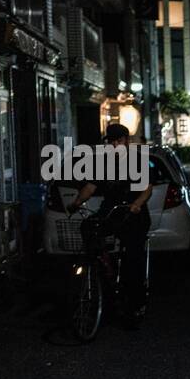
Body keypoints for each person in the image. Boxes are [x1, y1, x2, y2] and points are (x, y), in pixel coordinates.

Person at [66, 123, 152, 325]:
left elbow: (147, 188)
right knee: (88, 226)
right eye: (111, 141)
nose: (115, 145)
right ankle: (98, 266)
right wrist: (77, 202)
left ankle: (135, 306)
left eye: (119, 140)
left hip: (133, 215)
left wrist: (137, 204)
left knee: (133, 259)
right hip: (111, 212)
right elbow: (90, 186)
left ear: (126, 141)